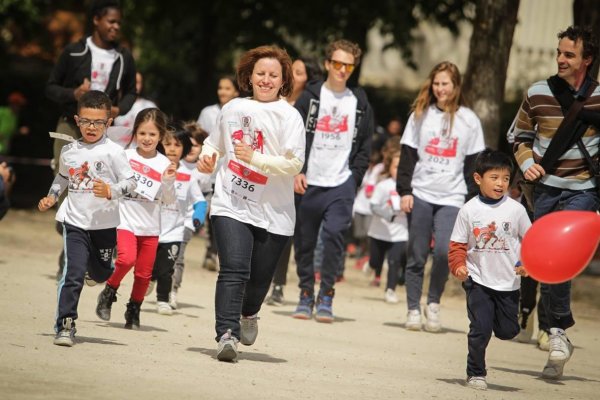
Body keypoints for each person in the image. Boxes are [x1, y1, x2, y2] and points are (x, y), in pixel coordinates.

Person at [197, 45, 305, 361]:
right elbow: (213, 144)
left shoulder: (290, 116)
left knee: (259, 281)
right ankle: (226, 334)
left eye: (273, 75)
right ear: (249, 76)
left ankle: (249, 312)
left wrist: (255, 158)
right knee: (233, 269)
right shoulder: (231, 109)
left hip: (275, 212)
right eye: (261, 74)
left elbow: (294, 163)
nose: (266, 80)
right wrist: (206, 158)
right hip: (232, 202)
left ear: (283, 79)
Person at [509, 25, 600, 380]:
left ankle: (558, 332)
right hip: (544, 189)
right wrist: (528, 164)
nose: (561, 59)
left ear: (587, 60)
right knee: (546, 264)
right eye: (559, 52)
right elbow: (518, 135)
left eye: (569, 55)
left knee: (560, 259)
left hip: (583, 189)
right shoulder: (537, 92)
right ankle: (556, 335)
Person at [38, 90, 136, 347]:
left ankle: (97, 273)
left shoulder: (114, 152)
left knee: (103, 272)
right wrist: (51, 196)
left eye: (98, 122)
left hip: (104, 223)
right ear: (77, 120)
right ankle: (65, 323)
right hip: (75, 221)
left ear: (108, 122)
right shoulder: (69, 150)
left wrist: (111, 191)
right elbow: (62, 177)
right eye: (86, 121)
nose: (91, 127)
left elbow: (131, 182)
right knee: (73, 273)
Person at [396, 61, 485, 332]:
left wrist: (473, 199)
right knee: (417, 254)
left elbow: (474, 165)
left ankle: (432, 303)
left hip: (453, 196)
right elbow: (407, 155)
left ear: (456, 86)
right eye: (436, 83)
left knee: (445, 251)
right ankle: (413, 308)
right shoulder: (420, 115)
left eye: (445, 83)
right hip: (421, 193)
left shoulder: (469, 120)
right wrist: (405, 191)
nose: (440, 88)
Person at [292, 39, 373, 323]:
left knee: (335, 235)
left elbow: (365, 145)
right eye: (337, 63)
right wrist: (296, 170)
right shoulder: (310, 97)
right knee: (304, 241)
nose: (342, 70)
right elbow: (294, 136)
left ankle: (326, 294)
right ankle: (305, 292)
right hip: (308, 180)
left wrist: (354, 179)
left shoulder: (359, 100)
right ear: (328, 64)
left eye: (348, 65)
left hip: (341, 183)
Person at [448, 149, 531, 390]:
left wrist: (527, 263)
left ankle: (502, 320)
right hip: (478, 280)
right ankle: (476, 373)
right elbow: (457, 245)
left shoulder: (516, 210)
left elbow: (532, 240)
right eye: (494, 177)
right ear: (478, 179)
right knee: (480, 329)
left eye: (506, 178)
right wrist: (459, 266)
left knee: (507, 331)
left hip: (509, 283)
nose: (501, 183)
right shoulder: (469, 210)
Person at [95, 108, 176, 329]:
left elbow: (169, 201)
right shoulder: (125, 156)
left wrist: (168, 181)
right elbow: (111, 185)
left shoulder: (163, 164)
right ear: (135, 133)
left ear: (160, 136)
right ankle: (109, 292)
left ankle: (134, 309)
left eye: (152, 135)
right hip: (125, 222)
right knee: (125, 260)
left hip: (150, 228)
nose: (147, 139)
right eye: (142, 134)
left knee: (143, 275)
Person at [46, 0, 136, 170]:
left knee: (98, 178)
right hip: (71, 123)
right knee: (64, 176)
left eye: (119, 23)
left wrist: (119, 109)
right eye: (111, 21)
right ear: (96, 20)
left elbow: (131, 91)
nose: (116, 27)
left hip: (104, 128)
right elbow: (50, 88)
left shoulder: (124, 56)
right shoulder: (73, 51)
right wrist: (74, 94)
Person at [265, 56, 323, 306]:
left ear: (309, 79)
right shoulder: (272, 98)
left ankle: (278, 284)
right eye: (291, 70)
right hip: (265, 168)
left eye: (298, 73)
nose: (292, 75)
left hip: (292, 173)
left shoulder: (311, 107)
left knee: (284, 229)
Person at [148, 128, 206, 315]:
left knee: (174, 261)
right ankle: (150, 277)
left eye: (177, 145)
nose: (172, 149)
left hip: (179, 226)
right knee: (151, 259)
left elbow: (200, 201)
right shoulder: (152, 167)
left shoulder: (189, 175)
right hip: (152, 224)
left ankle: (168, 294)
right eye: (167, 144)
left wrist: (198, 217)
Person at [197, 75, 240, 272]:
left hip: (232, 171)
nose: (223, 92)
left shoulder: (240, 112)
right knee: (212, 212)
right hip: (211, 171)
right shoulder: (208, 112)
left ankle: (218, 251)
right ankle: (211, 249)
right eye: (220, 88)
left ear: (236, 92)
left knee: (224, 212)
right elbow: (200, 138)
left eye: (227, 88)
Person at [168, 122, 210, 309]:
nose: (192, 149)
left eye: (197, 145)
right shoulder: (174, 165)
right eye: (189, 144)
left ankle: (173, 290)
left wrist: (199, 218)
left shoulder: (206, 170)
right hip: (165, 217)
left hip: (187, 221)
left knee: (178, 256)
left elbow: (206, 197)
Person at [367, 141, 408, 303]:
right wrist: (388, 214)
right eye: (396, 167)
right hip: (379, 231)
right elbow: (373, 206)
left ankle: (390, 289)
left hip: (400, 233)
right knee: (375, 261)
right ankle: (371, 266)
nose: (399, 171)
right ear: (390, 168)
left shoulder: (413, 187)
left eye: (403, 167)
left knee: (394, 261)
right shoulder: (384, 186)